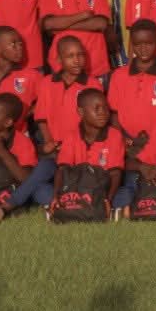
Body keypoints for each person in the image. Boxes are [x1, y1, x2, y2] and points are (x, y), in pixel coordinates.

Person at [47, 88, 124, 224]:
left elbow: (115, 173)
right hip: (76, 189)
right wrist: (56, 195)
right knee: (44, 191)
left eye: (105, 108)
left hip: (102, 189)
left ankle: (110, 207)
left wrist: (108, 199)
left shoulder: (114, 135)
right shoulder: (71, 135)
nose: (103, 113)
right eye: (97, 108)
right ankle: (57, 205)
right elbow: (62, 169)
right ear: (81, 112)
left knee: (124, 195)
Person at [106, 20, 156, 149]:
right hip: (127, 143)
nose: (143, 48)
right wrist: (122, 139)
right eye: (137, 44)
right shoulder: (118, 76)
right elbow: (114, 113)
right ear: (132, 44)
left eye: (148, 43)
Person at [34, 35, 97, 157]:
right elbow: (41, 117)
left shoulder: (92, 84)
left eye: (80, 55)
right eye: (70, 56)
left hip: (80, 148)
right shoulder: (47, 82)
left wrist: (75, 144)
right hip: (54, 146)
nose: (77, 60)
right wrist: (49, 141)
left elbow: (93, 123)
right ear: (59, 59)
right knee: (41, 169)